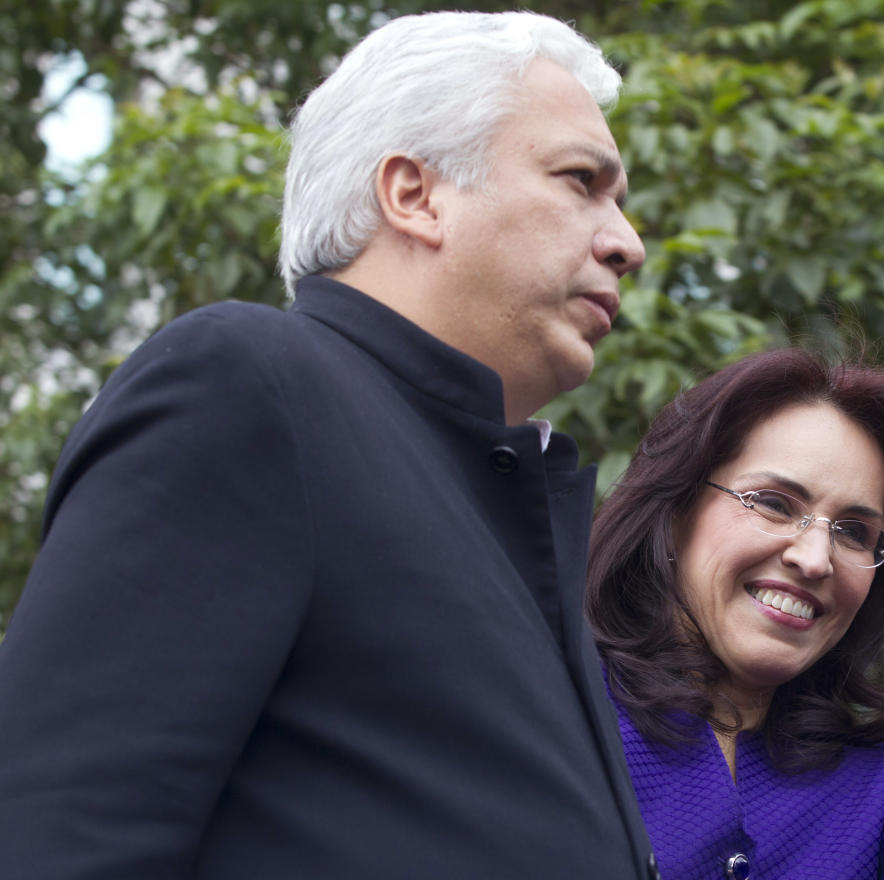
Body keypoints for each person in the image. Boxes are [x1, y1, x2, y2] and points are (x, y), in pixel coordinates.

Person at [0, 11, 660, 879]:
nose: (629, 243)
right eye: (582, 181)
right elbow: (60, 832)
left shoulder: (502, 494)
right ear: (415, 195)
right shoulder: (251, 384)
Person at [588, 342, 884, 879]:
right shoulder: (556, 703)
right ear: (677, 507)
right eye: (774, 504)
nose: (815, 559)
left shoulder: (868, 789)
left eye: (854, 532)